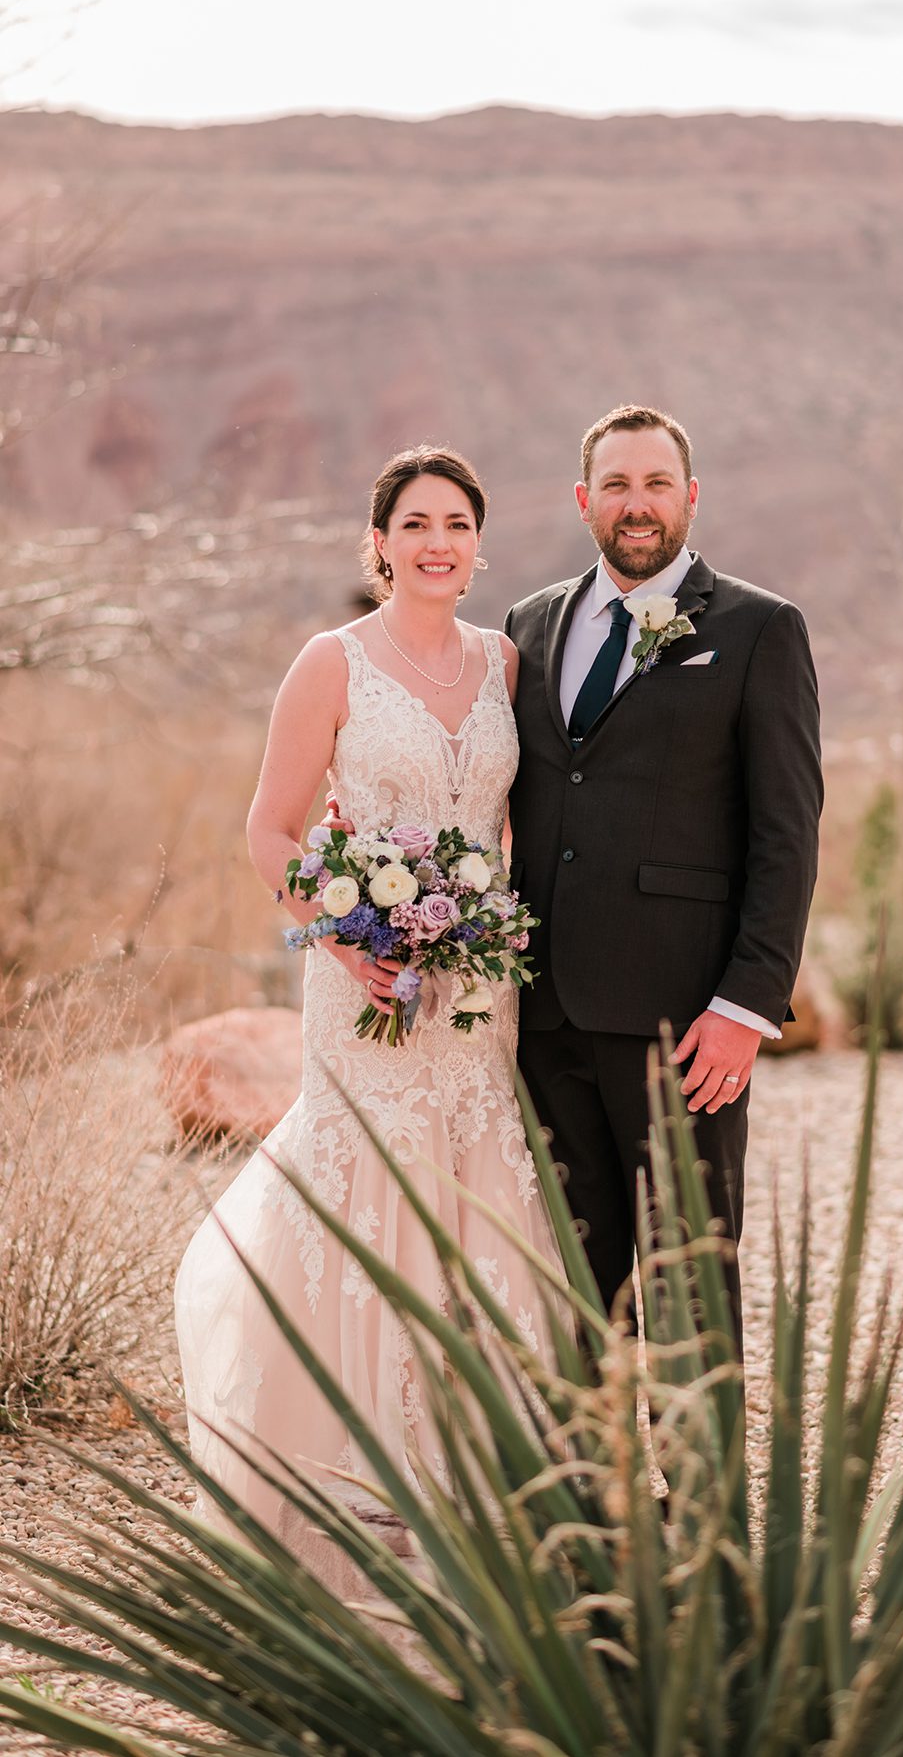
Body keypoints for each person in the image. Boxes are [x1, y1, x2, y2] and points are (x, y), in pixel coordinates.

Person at [174, 446, 565, 1566]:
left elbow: (513, 826)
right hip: (365, 985)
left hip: (479, 986)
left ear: (478, 544)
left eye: (456, 523)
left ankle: (473, 1479)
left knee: (476, 1194)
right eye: (415, 523)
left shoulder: (506, 663)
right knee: (367, 1193)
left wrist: (479, 926)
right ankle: (345, 1481)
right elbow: (270, 829)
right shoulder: (331, 662)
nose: (437, 541)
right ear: (381, 542)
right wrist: (349, 941)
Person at [504, 404, 822, 1349]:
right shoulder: (529, 624)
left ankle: (699, 1500)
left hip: (686, 1031)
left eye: (654, 485)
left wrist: (747, 1004)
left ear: (690, 498)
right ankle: (593, 1496)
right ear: (582, 500)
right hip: (547, 1018)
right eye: (615, 485)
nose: (635, 505)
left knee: (690, 1292)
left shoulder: (762, 629)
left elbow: (787, 832)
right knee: (574, 1293)